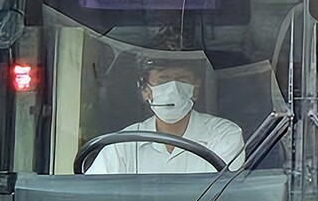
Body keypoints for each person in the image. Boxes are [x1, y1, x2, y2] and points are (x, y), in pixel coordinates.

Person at [85, 57, 245, 174]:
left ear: (195, 89)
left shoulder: (224, 135)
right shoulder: (122, 145)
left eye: (182, 79)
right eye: (163, 80)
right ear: (145, 90)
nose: (173, 89)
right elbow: (94, 198)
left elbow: (220, 197)